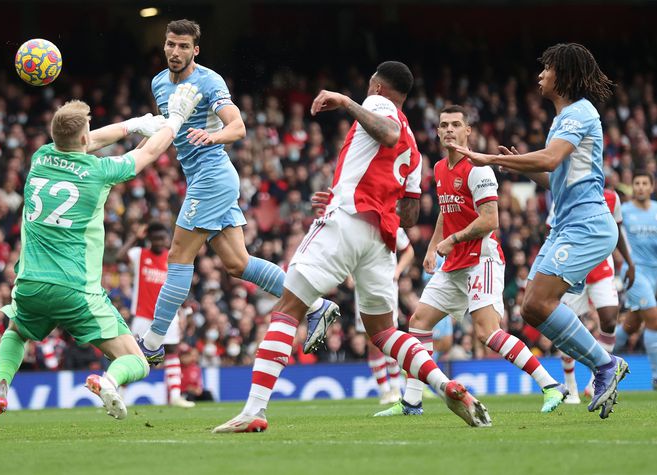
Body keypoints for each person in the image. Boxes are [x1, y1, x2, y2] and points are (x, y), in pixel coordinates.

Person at [213, 61, 491, 433]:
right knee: (384, 333)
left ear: (376, 85)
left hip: (347, 220)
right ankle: (445, 386)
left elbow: (387, 133)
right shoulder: (416, 151)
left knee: (288, 308)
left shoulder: (378, 105)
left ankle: (253, 410)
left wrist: (346, 101)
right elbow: (409, 213)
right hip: (381, 238)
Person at [0, 82, 199, 438]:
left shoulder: (40, 157)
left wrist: (134, 124)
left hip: (30, 284)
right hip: (76, 289)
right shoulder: (98, 172)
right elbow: (149, 154)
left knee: (16, 331)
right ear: (82, 139)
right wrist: (175, 120)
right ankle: (108, 381)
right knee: (136, 360)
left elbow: (82, 141)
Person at [137, 19, 337, 363]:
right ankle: (317, 305)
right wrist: (135, 153)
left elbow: (238, 126)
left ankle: (153, 341)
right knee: (238, 264)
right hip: (201, 177)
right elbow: (168, 129)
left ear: (195, 50)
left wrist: (212, 136)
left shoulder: (208, 81)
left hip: (212, 177)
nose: (176, 51)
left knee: (178, 257)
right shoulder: (158, 83)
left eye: (184, 46)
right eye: (171, 44)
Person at [450, 43, 629, 419]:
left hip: (587, 223)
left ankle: (604, 365)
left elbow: (549, 158)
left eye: (546, 69)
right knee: (531, 307)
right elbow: (554, 177)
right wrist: (518, 165)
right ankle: (604, 364)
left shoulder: (579, 113)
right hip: (566, 224)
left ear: (561, 75)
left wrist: (494, 158)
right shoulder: (563, 118)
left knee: (541, 303)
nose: (540, 76)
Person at [375, 105, 565, 418]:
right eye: (444, 125)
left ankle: (550, 384)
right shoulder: (437, 169)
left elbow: (490, 220)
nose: (449, 130)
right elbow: (446, 211)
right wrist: (435, 245)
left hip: (482, 258)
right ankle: (411, 402)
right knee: (419, 322)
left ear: (468, 132)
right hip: (454, 262)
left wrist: (452, 240)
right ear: (437, 132)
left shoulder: (478, 169)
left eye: (456, 125)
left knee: (487, 333)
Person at [309, 190, 413, 405]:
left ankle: (395, 387)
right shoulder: (355, 225)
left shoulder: (391, 221)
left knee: (389, 336)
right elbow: (343, 251)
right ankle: (385, 390)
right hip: (363, 288)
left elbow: (408, 251)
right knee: (372, 339)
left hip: (386, 286)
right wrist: (348, 273)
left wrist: (396, 272)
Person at [557, 188, 635, 402]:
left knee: (610, 320)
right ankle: (570, 386)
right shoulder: (565, 193)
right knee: (565, 327)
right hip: (573, 268)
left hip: (601, 268)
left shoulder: (612, 197)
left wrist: (629, 262)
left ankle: (595, 380)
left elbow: (617, 231)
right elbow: (553, 230)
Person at [117, 222, 195, 408]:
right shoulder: (139, 254)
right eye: (156, 238)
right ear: (149, 238)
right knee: (134, 354)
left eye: (163, 238)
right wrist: (136, 235)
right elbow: (119, 257)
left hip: (169, 315)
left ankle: (175, 395)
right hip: (143, 316)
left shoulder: (173, 258)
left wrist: (188, 312)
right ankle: (119, 394)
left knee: (172, 351)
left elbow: (179, 287)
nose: (160, 241)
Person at [612, 171, 657, 390]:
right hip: (634, 271)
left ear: (651, 186)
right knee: (654, 319)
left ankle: (604, 360)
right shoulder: (625, 212)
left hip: (655, 272)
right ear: (633, 187)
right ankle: (656, 377)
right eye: (637, 183)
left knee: (632, 324)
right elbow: (613, 235)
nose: (640, 187)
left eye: (644, 183)